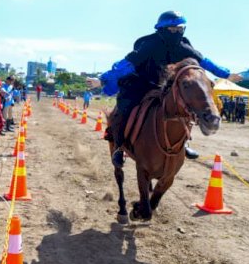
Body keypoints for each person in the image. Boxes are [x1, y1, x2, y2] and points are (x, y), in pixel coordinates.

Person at [88, 11, 241, 167]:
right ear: (162, 29)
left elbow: (204, 62)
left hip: (164, 88)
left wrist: (226, 74)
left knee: (182, 105)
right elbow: (125, 65)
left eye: (180, 28)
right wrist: (102, 79)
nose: (176, 32)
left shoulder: (183, 46)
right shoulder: (149, 44)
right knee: (124, 108)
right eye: (172, 29)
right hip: (140, 86)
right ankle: (119, 147)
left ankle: (183, 144)